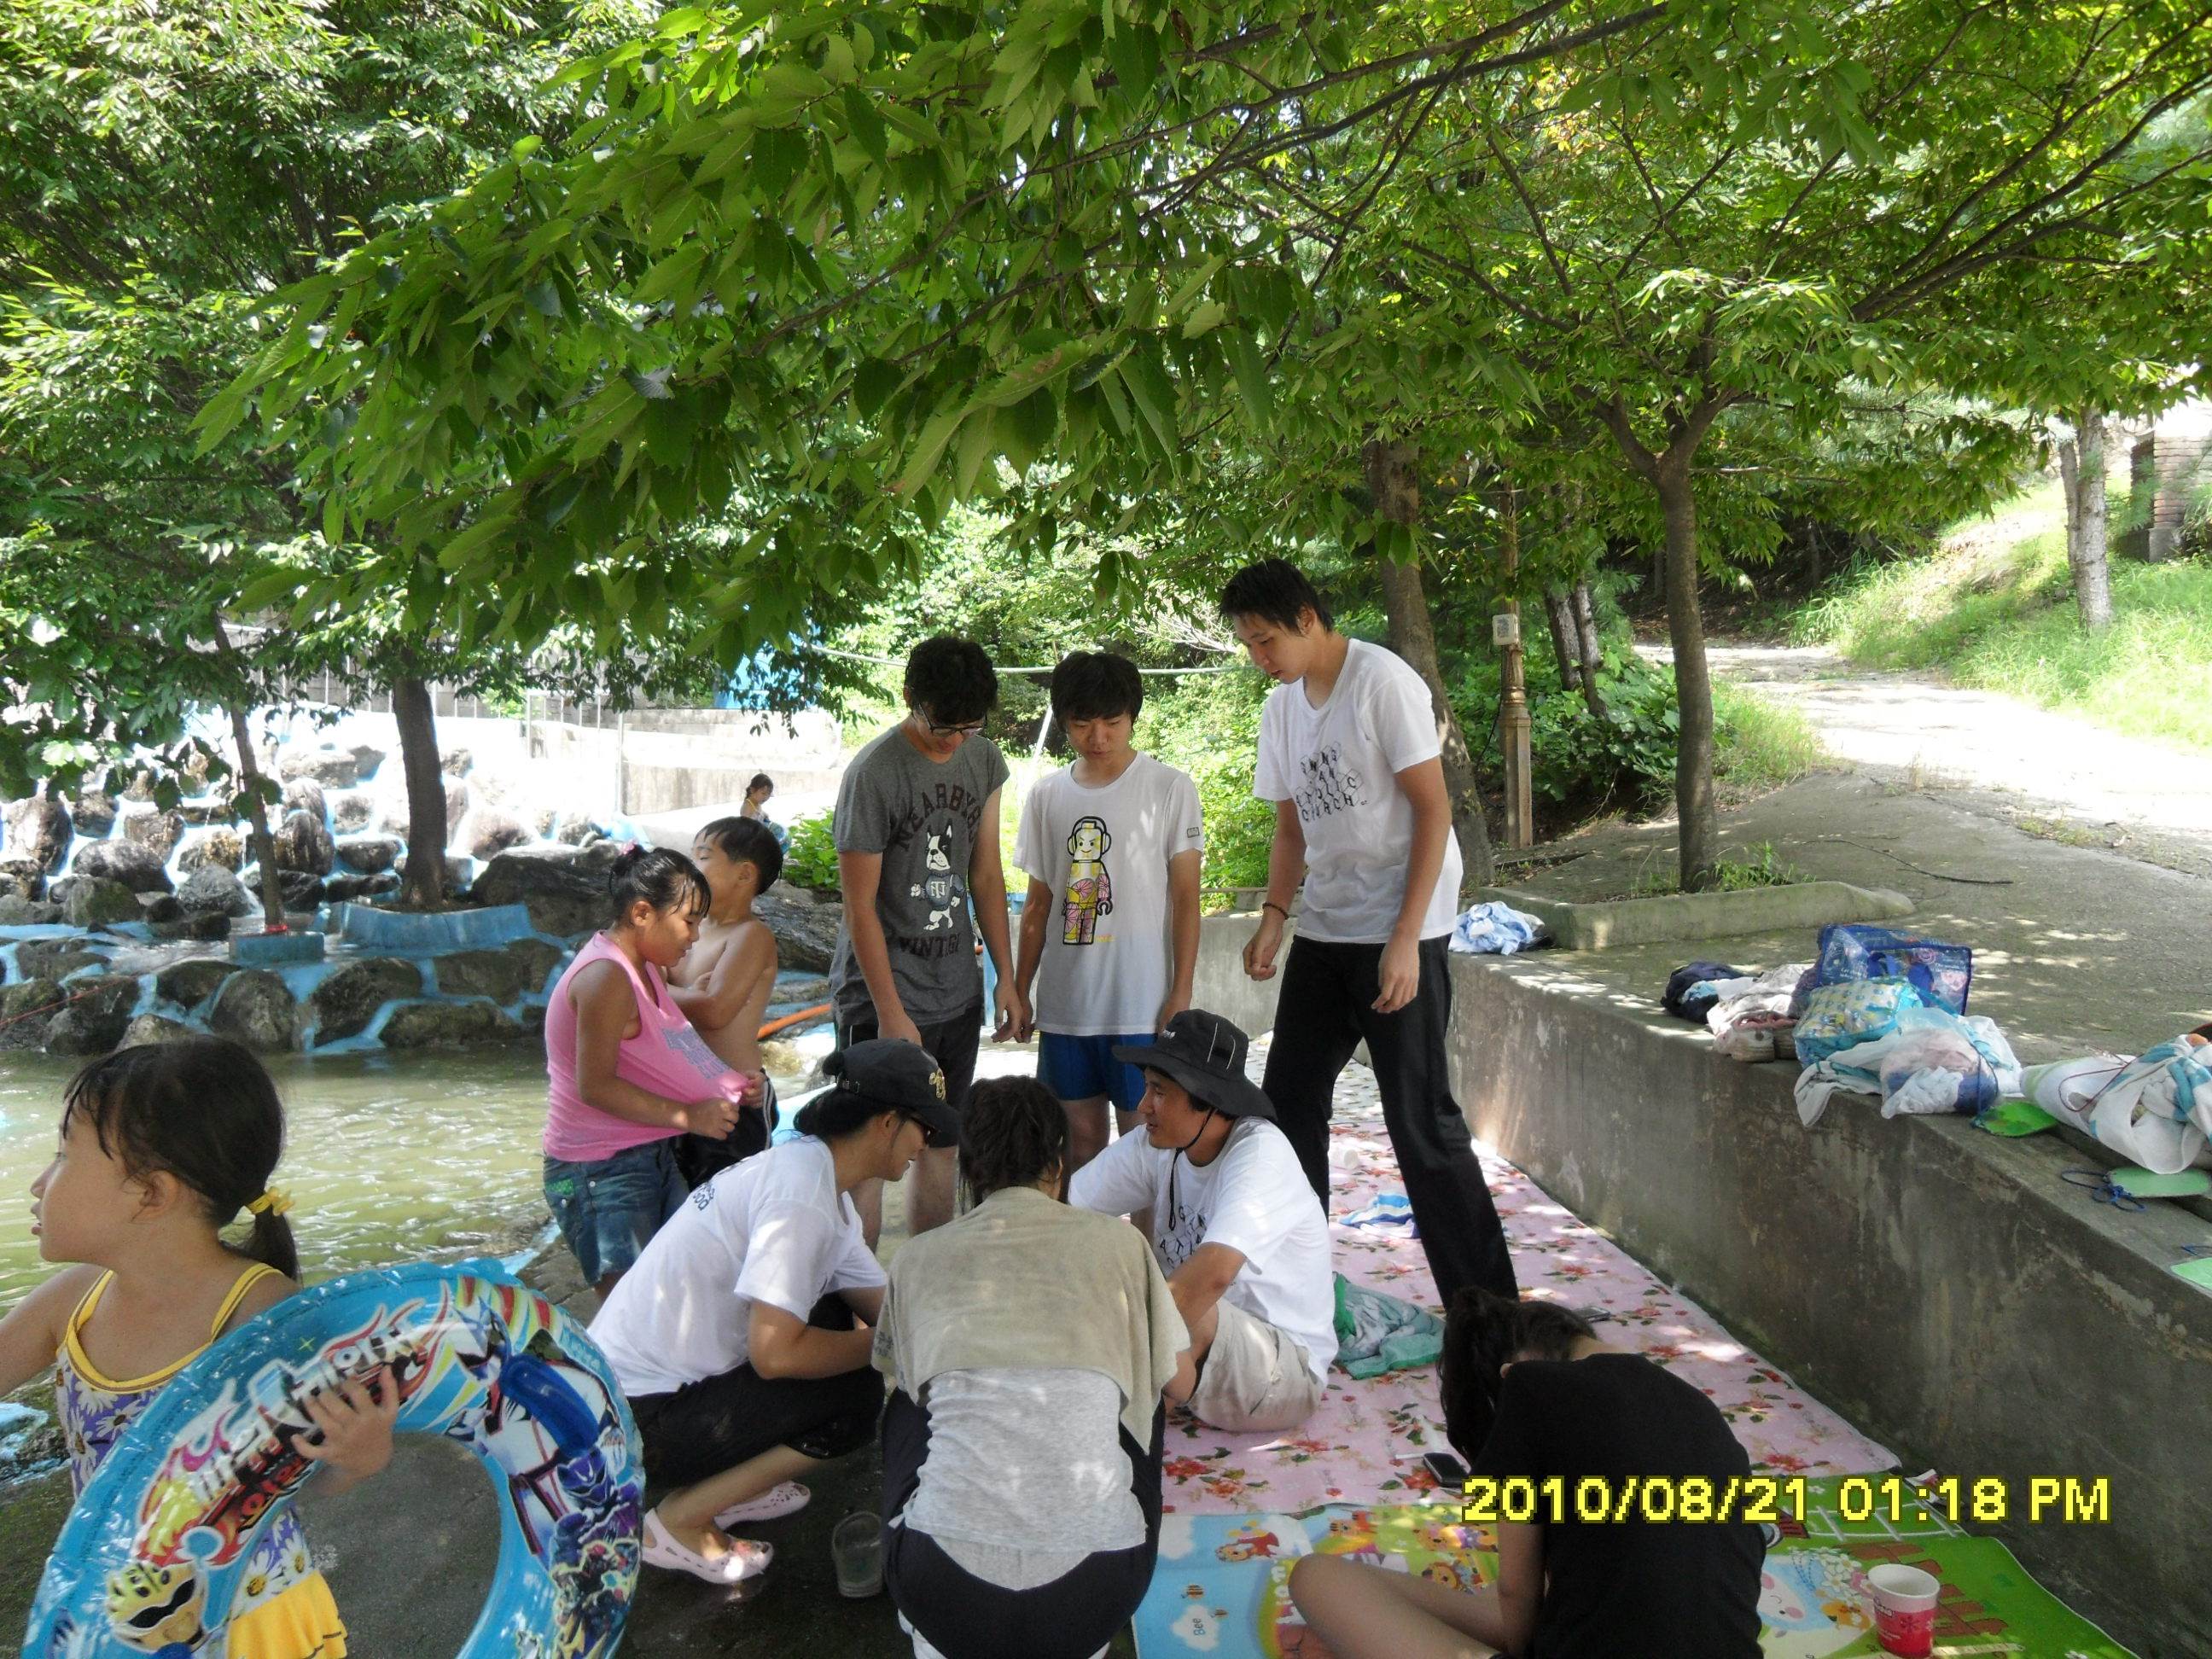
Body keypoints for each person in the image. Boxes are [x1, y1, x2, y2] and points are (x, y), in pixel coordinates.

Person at [0, 1039, 398, 1658]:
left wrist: (360, 1458)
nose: (39, 1182)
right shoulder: (73, 1300)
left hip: (247, 1621)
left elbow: (302, 1473)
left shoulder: (259, 1314)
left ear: (151, 1194)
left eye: (63, 1156)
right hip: (122, 1620)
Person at [1224, 556, 1517, 1306]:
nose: (1259, 659)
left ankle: (1489, 1313)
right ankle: (1297, 1292)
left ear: (1306, 619)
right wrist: (1274, 917)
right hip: (1327, 925)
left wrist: (1406, 939)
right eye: (1248, 645)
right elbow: (1291, 830)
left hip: (1402, 924)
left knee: (1419, 1118)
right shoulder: (1282, 709)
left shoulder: (1380, 681)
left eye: (1265, 641)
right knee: (1286, 1106)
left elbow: (1434, 811)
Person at [588, 1041, 957, 1586]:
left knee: (831, 1316)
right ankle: (678, 1522)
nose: (925, 1144)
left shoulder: (816, 1178)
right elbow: (775, 1354)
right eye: (922, 1127)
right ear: (886, 1123)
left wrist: (951, 1326)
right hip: (629, 1427)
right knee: (855, 1398)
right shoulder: (801, 1198)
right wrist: (892, 1345)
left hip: (623, 1399)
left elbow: (889, 1310)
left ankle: (735, 1485)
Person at [876, 1076, 1186, 1659]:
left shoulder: (916, 1258)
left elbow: (908, 1383)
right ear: (1058, 1166)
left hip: (939, 1590)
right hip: (1094, 1596)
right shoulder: (1121, 1246)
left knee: (905, 1398)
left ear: (970, 1170)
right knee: (1144, 1388)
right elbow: (1172, 1380)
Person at [1288, 1292, 1763, 1659]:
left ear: (1509, 1368)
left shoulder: (1527, 1384)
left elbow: (1516, 1594)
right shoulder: (1700, 1408)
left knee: (1316, 1577)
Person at [830, 634, 1017, 1243]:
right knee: (866, 1158)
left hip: (955, 990)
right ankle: (854, 1294)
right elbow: (859, 906)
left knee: (941, 1143)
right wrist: (889, 1012)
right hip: (882, 995)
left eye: (971, 726)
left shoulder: (983, 759)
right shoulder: (874, 774)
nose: (956, 739)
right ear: (910, 696)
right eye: (944, 725)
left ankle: (924, 1280)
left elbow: (985, 875)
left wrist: (1007, 978)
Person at [1068, 1009, 1334, 1434]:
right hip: (1193, 1344)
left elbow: (1213, 1276)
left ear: (1208, 1100)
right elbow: (1065, 1212)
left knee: (1172, 1303)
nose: (1143, 1106)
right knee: (1093, 1261)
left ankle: (1126, 1412)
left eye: (1158, 1091)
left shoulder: (1261, 1155)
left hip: (1286, 1370)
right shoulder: (1157, 1144)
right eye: (1146, 1087)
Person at [1010, 652, 1204, 1174]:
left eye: (1112, 721)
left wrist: (1180, 992)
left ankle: (1142, 1236)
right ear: (1063, 721)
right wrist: (1020, 988)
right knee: (1078, 1146)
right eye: (1082, 723)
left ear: (1132, 716)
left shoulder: (1169, 787)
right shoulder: (1047, 795)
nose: (1098, 736)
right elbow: (1038, 904)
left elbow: (1187, 899)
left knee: (1146, 1146)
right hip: (1066, 1007)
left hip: (1141, 1005)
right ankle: (1083, 1233)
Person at [542, 845, 749, 1297]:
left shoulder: (643, 967)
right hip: (600, 1170)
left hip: (649, 1152)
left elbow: (668, 1045)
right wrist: (690, 1116)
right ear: (641, 913)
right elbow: (595, 1087)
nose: (695, 936)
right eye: (689, 921)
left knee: (681, 1294)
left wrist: (729, 1086)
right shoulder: (607, 977)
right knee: (634, 1310)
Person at [667, 816, 784, 1188]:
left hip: (735, 1099)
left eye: (703, 857)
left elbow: (716, 1011)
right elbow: (643, 983)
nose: (691, 867)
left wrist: (662, 991)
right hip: (682, 1100)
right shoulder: (688, 930)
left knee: (729, 1204)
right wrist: (688, 994)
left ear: (745, 874)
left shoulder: (751, 935)